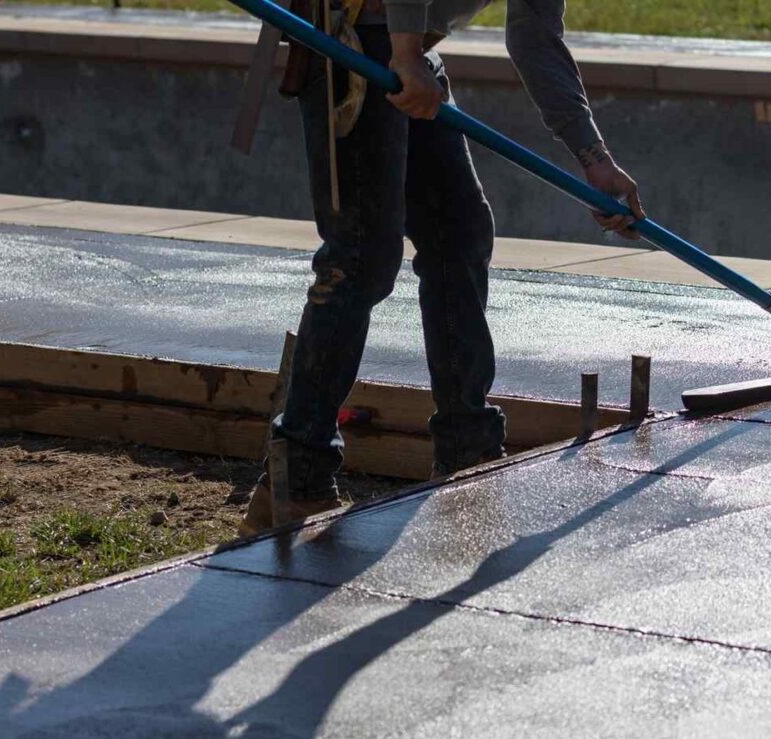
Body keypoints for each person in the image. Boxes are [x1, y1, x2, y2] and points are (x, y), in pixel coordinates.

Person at [239, 0, 645, 535]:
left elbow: (535, 41)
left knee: (458, 234)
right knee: (361, 255)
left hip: (406, 46)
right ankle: (297, 479)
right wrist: (405, 53)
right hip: (357, 37)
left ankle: (467, 452)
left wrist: (594, 159)